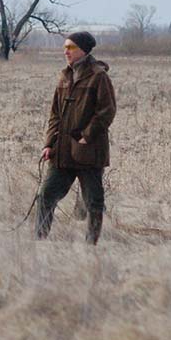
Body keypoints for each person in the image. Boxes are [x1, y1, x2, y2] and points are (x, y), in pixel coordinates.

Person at [37, 31, 117, 245]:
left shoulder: (98, 76)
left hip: (88, 151)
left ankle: (91, 245)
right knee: (46, 195)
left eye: (70, 47)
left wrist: (86, 136)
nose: (66, 51)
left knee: (93, 202)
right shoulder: (64, 76)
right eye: (65, 47)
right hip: (61, 152)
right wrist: (49, 143)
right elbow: (55, 114)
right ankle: (40, 240)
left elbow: (107, 111)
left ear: (83, 50)